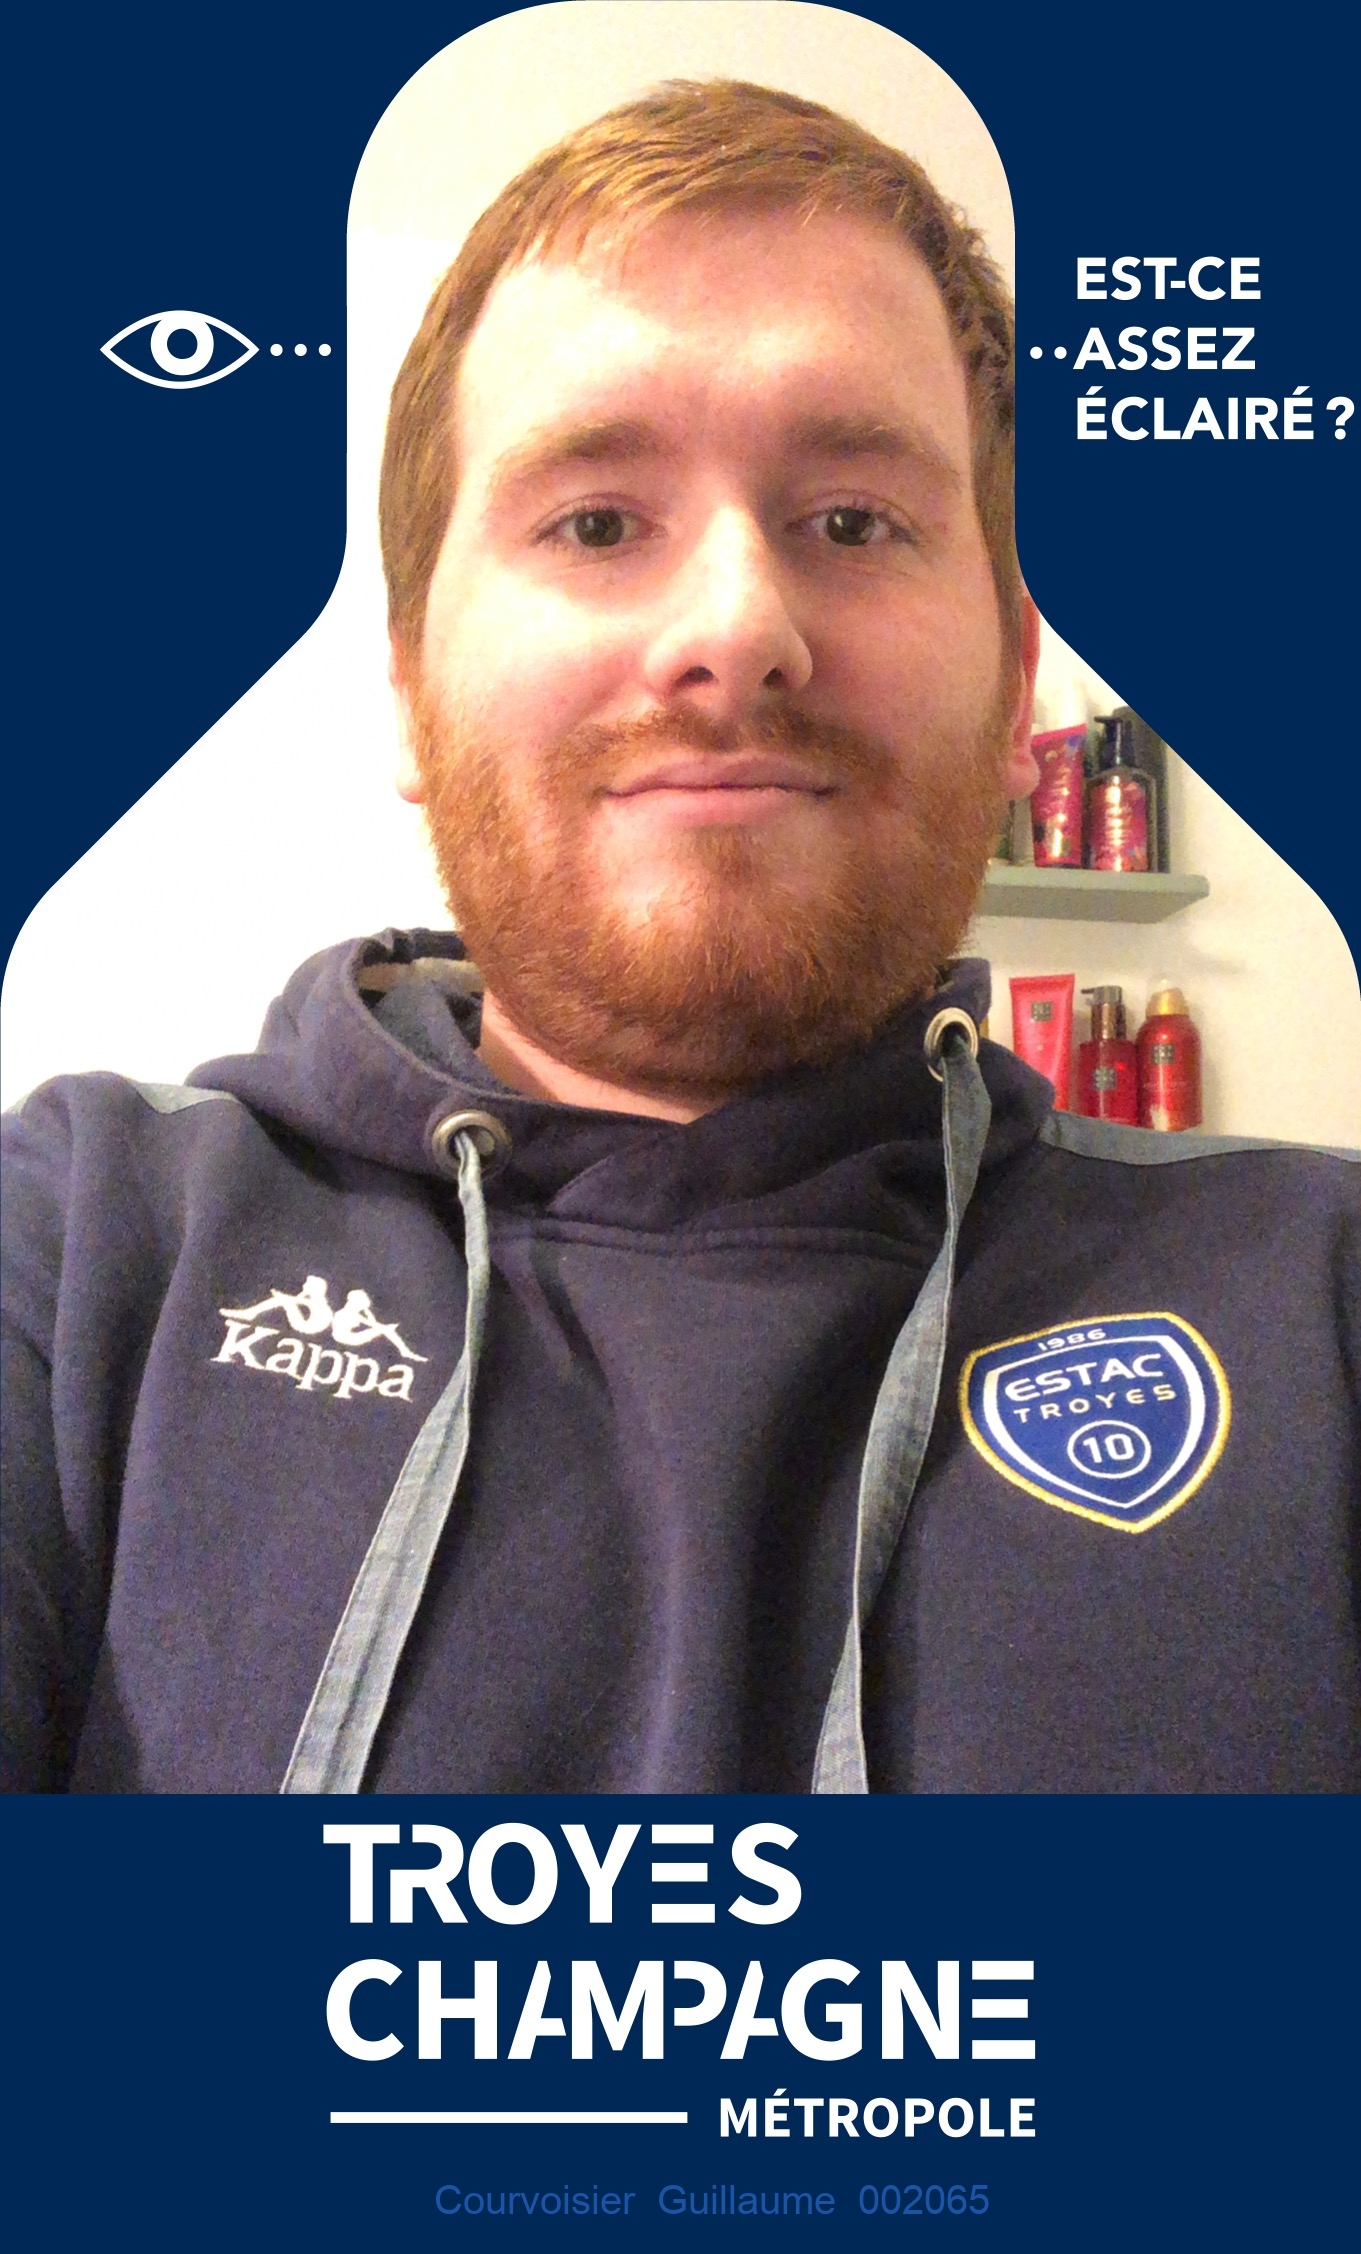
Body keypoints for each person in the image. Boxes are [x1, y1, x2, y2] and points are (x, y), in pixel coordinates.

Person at [2, 82, 1356, 1796]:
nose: (736, 624)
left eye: (853, 521)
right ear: (410, 686)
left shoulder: (1322, 1296)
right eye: (595, 522)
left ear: (1017, 682)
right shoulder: (78, 1250)